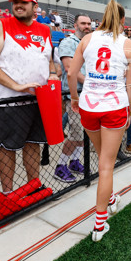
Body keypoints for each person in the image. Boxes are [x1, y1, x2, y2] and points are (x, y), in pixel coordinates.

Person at [68, 0, 131, 242]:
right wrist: (129, 111)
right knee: (106, 165)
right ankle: (99, 224)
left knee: (101, 158)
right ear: (123, 21)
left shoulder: (87, 39)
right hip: (114, 106)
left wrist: (75, 98)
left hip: (89, 105)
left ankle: (109, 199)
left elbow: (70, 72)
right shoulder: (129, 44)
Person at [0, 0, 58, 194]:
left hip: (39, 99)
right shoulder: (1, 25)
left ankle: (33, 187)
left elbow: (48, 58)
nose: (18, 5)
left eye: (24, 3)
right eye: (16, 2)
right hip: (11, 100)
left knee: (33, 143)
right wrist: (15, 85)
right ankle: (8, 194)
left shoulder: (44, 29)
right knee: (8, 147)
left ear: (35, 7)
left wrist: (52, 73)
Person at [54, 13, 92, 182]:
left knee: (85, 133)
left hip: (88, 93)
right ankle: (60, 166)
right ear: (75, 25)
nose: (87, 26)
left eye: (89, 23)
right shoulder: (69, 42)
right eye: (83, 23)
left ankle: (74, 162)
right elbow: (71, 69)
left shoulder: (89, 43)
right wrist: (93, 84)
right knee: (76, 134)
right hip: (75, 94)